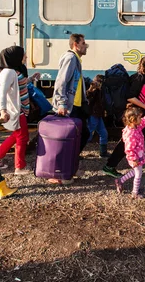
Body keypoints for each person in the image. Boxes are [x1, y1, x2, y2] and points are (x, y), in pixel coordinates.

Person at [103, 53, 145, 181]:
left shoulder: (142, 78)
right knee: (144, 143)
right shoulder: (139, 78)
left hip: (138, 116)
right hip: (137, 117)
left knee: (131, 141)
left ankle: (110, 166)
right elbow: (130, 96)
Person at [51, 34, 91, 182]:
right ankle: (60, 173)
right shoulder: (70, 58)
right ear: (75, 44)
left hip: (77, 105)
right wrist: (61, 103)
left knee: (82, 135)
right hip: (69, 106)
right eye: (83, 43)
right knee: (68, 139)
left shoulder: (76, 59)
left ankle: (70, 167)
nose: (85, 46)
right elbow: (61, 81)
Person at [0, 46, 32, 175]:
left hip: (20, 109)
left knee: (17, 135)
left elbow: (19, 85)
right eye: (23, 55)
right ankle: (19, 167)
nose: (25, 57)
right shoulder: (8, 72)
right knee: (22, 137)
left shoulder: (14, 70)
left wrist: (32, 79)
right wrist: (3, 110)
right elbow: (2, 93)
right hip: (16, 110)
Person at [114, 106, 145, 199]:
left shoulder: (136, 126)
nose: (141, 119)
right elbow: (129, 149)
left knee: (136, 171)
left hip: (138, 155)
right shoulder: (131, 134)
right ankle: (135, 193)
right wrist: (133, 158)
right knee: (138, 173)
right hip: (135, 157)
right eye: (139, 117)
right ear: (133, 120)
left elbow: (144, 121)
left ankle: (120, 180)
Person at [86, 74, 109, 158]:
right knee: (88, 134)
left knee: (103, 133)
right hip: (94, 114)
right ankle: (77, 150)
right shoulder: (94, 91)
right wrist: (91, 89)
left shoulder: (101, 91)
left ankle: (103, 153)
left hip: (98, 115)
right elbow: (87, 98)